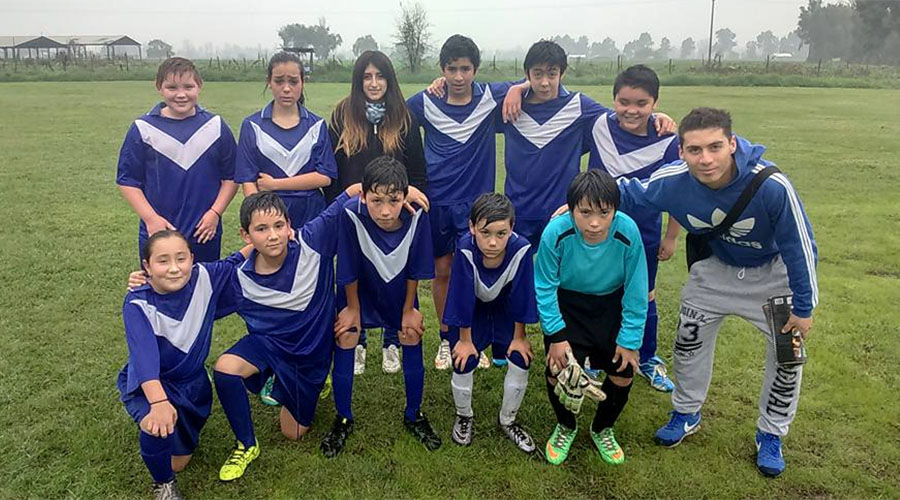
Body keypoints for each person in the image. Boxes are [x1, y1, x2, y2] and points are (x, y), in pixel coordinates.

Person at [617, 107, 818, 477]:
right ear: (681, 151)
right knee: (687, 344)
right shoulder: (673, 180)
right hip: (715, 272)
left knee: (788, 357)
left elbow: (801, 247)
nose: (705, 159)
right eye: (694, 150)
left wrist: (804, 308)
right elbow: (631, 193)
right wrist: (584, 199)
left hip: (772, 275)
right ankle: (686, 412)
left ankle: (771, 434)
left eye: (714, 147)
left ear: (732, 144)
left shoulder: (771, 184)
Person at [211, 186, 360, 481]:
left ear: (289, 225)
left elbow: (353, 193)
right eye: (262, 229)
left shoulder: (312, 242)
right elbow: (189, 284)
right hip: (267, 346)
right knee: (225, 368)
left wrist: (404, 191)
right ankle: (247, 444)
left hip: (308, 357)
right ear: (246, 235)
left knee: (293, 433)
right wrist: (147, 281)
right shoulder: (238, 277)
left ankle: (311, 382)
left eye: (279, 225)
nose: (273, 235)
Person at [407, 35, 530, 371]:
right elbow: (395, 125)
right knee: (443, 272)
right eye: (451, 69)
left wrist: (518, 88)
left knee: (475, 272)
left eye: (465, 69)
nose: (458, 76)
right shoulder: (425, 101)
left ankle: (472, 338)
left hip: (477, 208)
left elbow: (532, 81)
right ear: (442, 69)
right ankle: (447, 341)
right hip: (437, 203)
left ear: (475, 69)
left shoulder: (490, 97)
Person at [498, 41, 674, 249]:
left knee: (564, 277)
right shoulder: (509, 105)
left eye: (552, 74)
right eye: (537, 74)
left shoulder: (580, 106)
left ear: (562, 74)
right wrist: (517, 88)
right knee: (519, 276)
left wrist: (655, 116)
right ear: (527, 74)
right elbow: (472, 94)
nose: (545, 82)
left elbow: (622, 115)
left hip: (566, 211)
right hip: (518, 210)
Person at [235, 51, 338, 407]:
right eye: (279, 80)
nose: (286, 87)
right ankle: (272, 371)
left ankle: (316, 370)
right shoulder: (252, 126)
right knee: (267, 297)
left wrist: (276, 185)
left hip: (310, 218)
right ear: (269, 82)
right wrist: (259, 225)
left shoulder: (316, 125)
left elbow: (326, 175)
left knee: (317, 297)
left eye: (293, 80)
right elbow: (248, 181)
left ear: (303, 83)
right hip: (269, 228)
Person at [117, 230, 249, 499]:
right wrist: (157, 404)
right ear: (146, 267)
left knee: (180, 460)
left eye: (181, 258)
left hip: (192, 384)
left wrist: (264, 240)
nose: (175, 268)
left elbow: (236, 259)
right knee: (156, 426)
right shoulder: (137, 302)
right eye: (163, 261)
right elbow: (144, 360)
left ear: (192, 258)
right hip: (151, 382)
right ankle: (163, 485)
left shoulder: (204, 277)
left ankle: (177, 431)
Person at [535, 170, 648, 466]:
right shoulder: (555, 232)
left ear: (615, 209)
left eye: (604, 212)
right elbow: (545, 286)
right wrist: (557, 337)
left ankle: (602, 428)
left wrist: (630, 339)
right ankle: (565, 426)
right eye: (584, 212)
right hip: (568, 305)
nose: (595, 223)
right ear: (571, 209)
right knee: (557, 369)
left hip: (610, 306)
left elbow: (636, 288)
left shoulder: (628, 231)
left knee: (622, 374)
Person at [326, 50, 429, 374]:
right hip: (356, 214)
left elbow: (418, 171)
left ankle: (391, 341)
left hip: (393, 214)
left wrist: (410, 191)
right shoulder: (343, 114)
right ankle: (357, 342)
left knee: (392, 278)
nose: (373, 83)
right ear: (358, 81)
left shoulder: (404, 116)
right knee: (355, 274)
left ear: (389, 79)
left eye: (380, 76)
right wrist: (343, 203)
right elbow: (332, 171)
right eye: (367, 77)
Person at [583, 64, 681, 392]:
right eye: (624, 102)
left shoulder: (668, 141)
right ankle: (596, 358)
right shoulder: (598, 125)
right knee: (597, 292)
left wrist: (670, 237)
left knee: (644, 294)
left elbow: (677, 192)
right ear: (613, 100)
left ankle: (648, 356)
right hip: (597, 230)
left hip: (644, 233)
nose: (632, 110)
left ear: (654, 103)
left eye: (642, 103)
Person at [334, 156, 441, 451]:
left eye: (394, 201)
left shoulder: (418, 214)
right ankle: (343, 417)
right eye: (376, 200)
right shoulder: (350, 214)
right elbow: (348, 266)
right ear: (363, 195)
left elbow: (416, 268)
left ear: (406, 196)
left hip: (399, 293)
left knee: (410, 331)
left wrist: (409, 309)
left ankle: (414, 414)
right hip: (360, 292)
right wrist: (352, 308)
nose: (384, 210)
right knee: (346, 334)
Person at [117, 57, 238, 263]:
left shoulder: (215, 126)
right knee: (160, 289)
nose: (181, 94)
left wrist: (215, 213)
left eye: (188, 86)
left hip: (204, 230)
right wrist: (151, 219)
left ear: (199, 86)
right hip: (159, 231)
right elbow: (127, 181)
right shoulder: (143, 128)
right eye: (172, 87)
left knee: (203, 288)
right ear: (159, 88)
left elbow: (232, 176)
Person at [442, 193, 538, 452]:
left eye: (501, 233)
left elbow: (522, 294)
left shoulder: (522, 249)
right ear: (472, 227)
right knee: (464, 358)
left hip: (506, 311)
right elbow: (461, 295)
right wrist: (465, 340)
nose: (493, 242)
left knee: (520, 358)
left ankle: (508, 420)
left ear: (512, 229)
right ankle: (464, 415)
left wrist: (519, 337)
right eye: (485, 233)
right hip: (473, 313)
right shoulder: (464, 248)